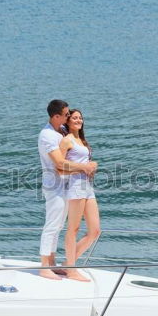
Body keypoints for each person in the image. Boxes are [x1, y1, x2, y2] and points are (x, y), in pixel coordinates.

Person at [38, 100, 97, 280]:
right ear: (56, 116)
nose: (68, 116)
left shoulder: (61, 131)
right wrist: (84, 167)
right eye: (65, 115)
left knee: (59, 225)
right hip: (54, 185)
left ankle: (53, 263)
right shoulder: (47, 135)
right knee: (52, 225)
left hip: (67, 185)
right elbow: (59, 163)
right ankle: (44, 266)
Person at [58, 109, 100, 282]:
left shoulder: (81, 140)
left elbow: (83, 163)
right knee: (73, 229)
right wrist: (83, 167)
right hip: (75, 186)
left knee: (95, 231)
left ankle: (67, 264)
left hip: (87, 187)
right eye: (74, 118)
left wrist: (91, 165)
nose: (78, 120)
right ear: (67, 121)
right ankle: (71, 269)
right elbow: (60, 167)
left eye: (80, 118)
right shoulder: (66, 140)